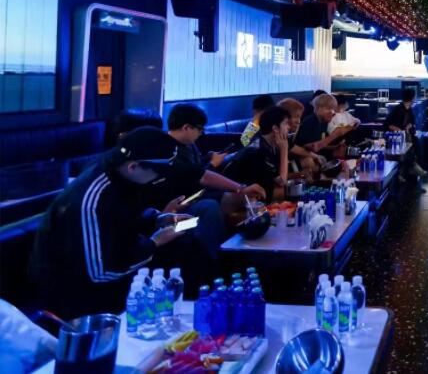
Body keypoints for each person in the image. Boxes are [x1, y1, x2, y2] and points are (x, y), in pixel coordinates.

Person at [30, 128, 194, 319]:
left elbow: (126, 217)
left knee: (188, 248)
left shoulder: (121, 174)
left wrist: (158, 219)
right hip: (75, 292)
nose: (159, 177)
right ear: (133, 166)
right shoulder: (91, 201)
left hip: (114, 269)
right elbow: (98, 272)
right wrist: (154, 243)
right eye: (159, 171)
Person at [162, 104, 266, 256]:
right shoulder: (169, 151)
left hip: (198, 196)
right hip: (181, 210)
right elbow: (199, 178)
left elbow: (198, 172)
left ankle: (245, 246)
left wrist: (209, 160)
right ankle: (213, 258)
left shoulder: (189, 145)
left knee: (245, 197)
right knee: (211, 208)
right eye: (200, 129)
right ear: (186, 128)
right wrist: (213, 165)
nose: (201, 133)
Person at [225, 105, 291, 203]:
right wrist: (284, 150)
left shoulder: (271, 145)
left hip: (257, 191)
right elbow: (282, 182)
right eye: (286, 124)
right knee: (285, 192)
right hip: (238, 197)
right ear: (275, 128)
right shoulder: (257, 152)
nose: (289, 127)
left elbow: (276, 179)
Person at [384, 88, 427, 185]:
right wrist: (400, 131)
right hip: (394, 136)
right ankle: (410, 168)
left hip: (404, 134)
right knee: (408, 145)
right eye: (414, 97)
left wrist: (409, 126)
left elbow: (412, 122)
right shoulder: (397, 109)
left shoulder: (409, 109)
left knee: (415, 143)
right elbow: (388, 124)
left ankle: (412, 167)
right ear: (411, 98)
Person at [295, 93, 354, 159]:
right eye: (329, 108)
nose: (333, 112)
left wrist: (335, 147)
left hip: (317, 154)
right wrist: (335, 134)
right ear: (318, 108)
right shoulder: (309, 123)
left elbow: (320, 145)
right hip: (304, 157)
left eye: (333, 109)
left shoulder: (324, 122)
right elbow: (312, 148)